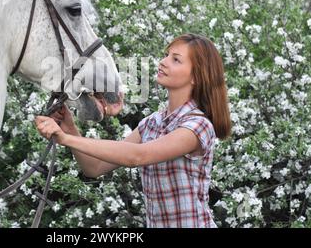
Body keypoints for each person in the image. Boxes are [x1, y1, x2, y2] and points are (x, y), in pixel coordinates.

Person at [35, 33, 231, 228]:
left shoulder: (198, 125)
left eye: (176, 60)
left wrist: (64, 139)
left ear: (196, 77)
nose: (163, 62)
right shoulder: (152, 123)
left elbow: (138, 156)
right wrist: (69, 129)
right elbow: (94, 167)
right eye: (166, 55)